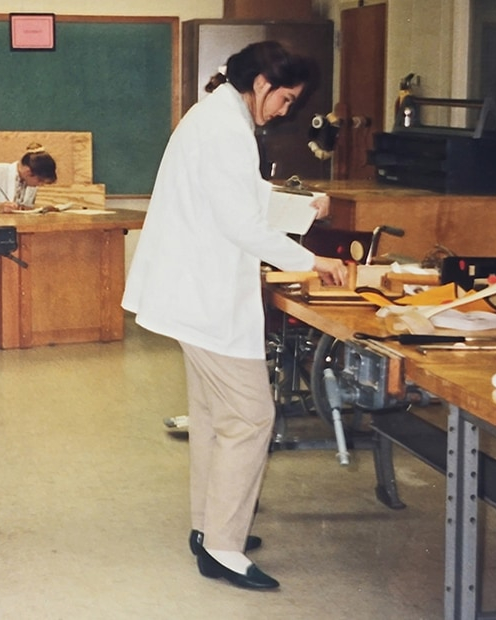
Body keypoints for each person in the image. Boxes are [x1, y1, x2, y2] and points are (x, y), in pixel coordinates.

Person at [121, 41, 347, 591]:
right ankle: (222, 547)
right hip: (204, 299)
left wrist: (302, 203)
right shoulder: (225, 128)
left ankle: (211, 528)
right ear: (263, 83)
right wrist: (313, 261)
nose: (286, 110)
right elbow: (241, 224)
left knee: (217, 417)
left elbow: (239, 199)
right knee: (249, 419)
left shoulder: (218, 117)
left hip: (194, 296)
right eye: (285, 98)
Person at [0, 143, 57, 212]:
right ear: (28, 172)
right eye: (40, 180)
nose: (40, 185)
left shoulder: (30, 183)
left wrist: (38, 210)